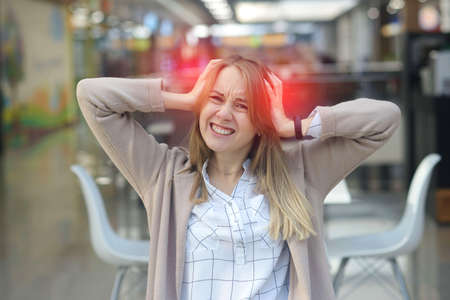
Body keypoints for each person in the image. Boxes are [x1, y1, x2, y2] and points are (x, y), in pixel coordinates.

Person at [76, 55, 401, 300]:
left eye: (242, 105)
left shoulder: (299, 171)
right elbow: (92, 96)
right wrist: (186, 99)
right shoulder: (164, 175)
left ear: (262, 120)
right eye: (215, 99)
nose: (224, 114)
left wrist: (293, 127)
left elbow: (384, 119)